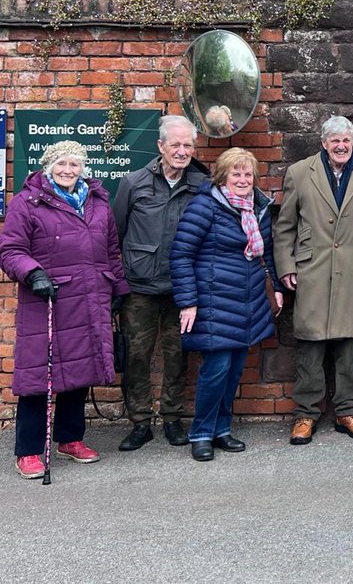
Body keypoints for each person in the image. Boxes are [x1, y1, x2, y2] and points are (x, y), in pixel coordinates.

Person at [1, 141, 129, 479]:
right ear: (48, 167)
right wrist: (33, 273)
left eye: (75, 164)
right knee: (37, 377)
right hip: (48, 298)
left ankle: (70, 439)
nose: (68, 170)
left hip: (91, 297)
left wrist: (118, 288)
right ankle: (28, 451)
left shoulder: (98, 202)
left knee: (79, 372)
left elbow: (112, 251)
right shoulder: (28, 202)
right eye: (62, 164)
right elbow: (10, 249)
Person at [274, 116, 353, 446]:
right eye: (334, 140)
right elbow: (284, 227)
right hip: (311, 269)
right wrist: (285, 266)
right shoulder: (300, 172)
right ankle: (305, 414)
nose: (341, 145)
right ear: (324, 143)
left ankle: (348, 411)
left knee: (350, 344)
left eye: (346, 140)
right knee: (310, 343)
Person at [170, 148, 282, 462]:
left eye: (248, 174)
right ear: (223, 176)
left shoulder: (257, 208)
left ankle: (222, 429)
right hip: (213, 301)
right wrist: (188, 301)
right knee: (216, 369)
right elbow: (181, 255)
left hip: (247, 300)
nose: (243, 180)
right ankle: (201, 433)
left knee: (233, 371)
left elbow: (267, 253)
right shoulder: (206, 206)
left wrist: (275, 289)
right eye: (236, 174)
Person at [113, 115, 208, 452]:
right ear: (160, 147)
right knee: (136, 356)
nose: (182, 151)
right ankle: (140, 422)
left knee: (178, 355)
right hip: (138, 287)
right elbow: (117, 234)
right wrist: (116, 284)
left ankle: (172, 418)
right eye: (176, 145)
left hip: (182, 289)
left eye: (188, 145)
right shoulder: (133, 182)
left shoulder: (201, 185)